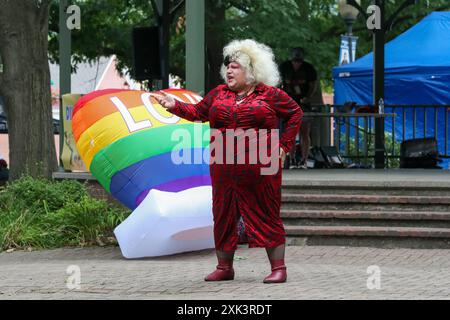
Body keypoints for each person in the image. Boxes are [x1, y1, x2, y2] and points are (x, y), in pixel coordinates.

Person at [154, 39, 303, 284]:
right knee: (223, 212)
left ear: (251, 71)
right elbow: (197, 113)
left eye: (235, 67)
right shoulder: (219, 93)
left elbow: (295, 113)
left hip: (261, 165)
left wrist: (284, 145)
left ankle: (279, 268)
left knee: (267, 211)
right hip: (223, 163)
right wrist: (174, 106)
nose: (229, 71)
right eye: (228, 67)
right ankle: (224, 267)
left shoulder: (270, 94)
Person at [280, 47, 319, 169]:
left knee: (304, 131)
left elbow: (313, 85)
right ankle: (291, 160)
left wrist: (308, 97)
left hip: (303, 103)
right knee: (291, 132)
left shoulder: (308, 68)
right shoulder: (284, 67)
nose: (297, 64)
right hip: (289, 103)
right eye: (295, 61)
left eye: (299, 62)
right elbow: (278, 83)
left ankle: (304, 160)